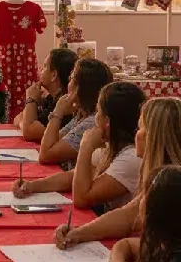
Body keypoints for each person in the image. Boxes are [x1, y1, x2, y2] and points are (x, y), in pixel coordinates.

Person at [55, 96, 181, 249]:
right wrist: (79, 233)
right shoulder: (163, 175)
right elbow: (127, 215)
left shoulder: (173, 183)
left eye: (140, 127)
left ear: (154, 137)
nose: (136, 133)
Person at [14, 81, 145, 212]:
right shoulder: (110, 146)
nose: (95, 117)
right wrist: (32, 186)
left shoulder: (131, 158)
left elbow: (81, 198)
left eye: (98, 111)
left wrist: (85, 147)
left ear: (107, 121)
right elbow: (71, 177)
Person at [38, 58, 113, 169]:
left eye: (71, 79)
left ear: (80, 88)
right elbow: (53, 141)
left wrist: (58, 113)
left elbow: (45, 155)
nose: (68, 85)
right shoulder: (83, 115)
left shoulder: (91, 123)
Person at [14, 48, 78, 142]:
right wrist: (25, 123)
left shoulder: (65, 103)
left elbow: (28, 132)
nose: (41, 70)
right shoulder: (51, 99)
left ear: (54, 75)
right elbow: (18, 118)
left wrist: (31, 100)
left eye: (44, 67)